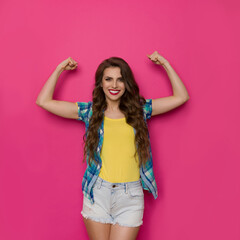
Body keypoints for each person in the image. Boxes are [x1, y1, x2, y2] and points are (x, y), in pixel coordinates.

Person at [36, 51, 190, 240]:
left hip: (131, 196)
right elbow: (43, 101)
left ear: (127, 83)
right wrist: (60, 68)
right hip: (98, 193)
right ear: (101, 83)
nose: (114, 85)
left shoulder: (140, 111)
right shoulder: (90, 112)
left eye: (120, 79)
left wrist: (164, 63)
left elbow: (181, 96)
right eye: (108, 79)